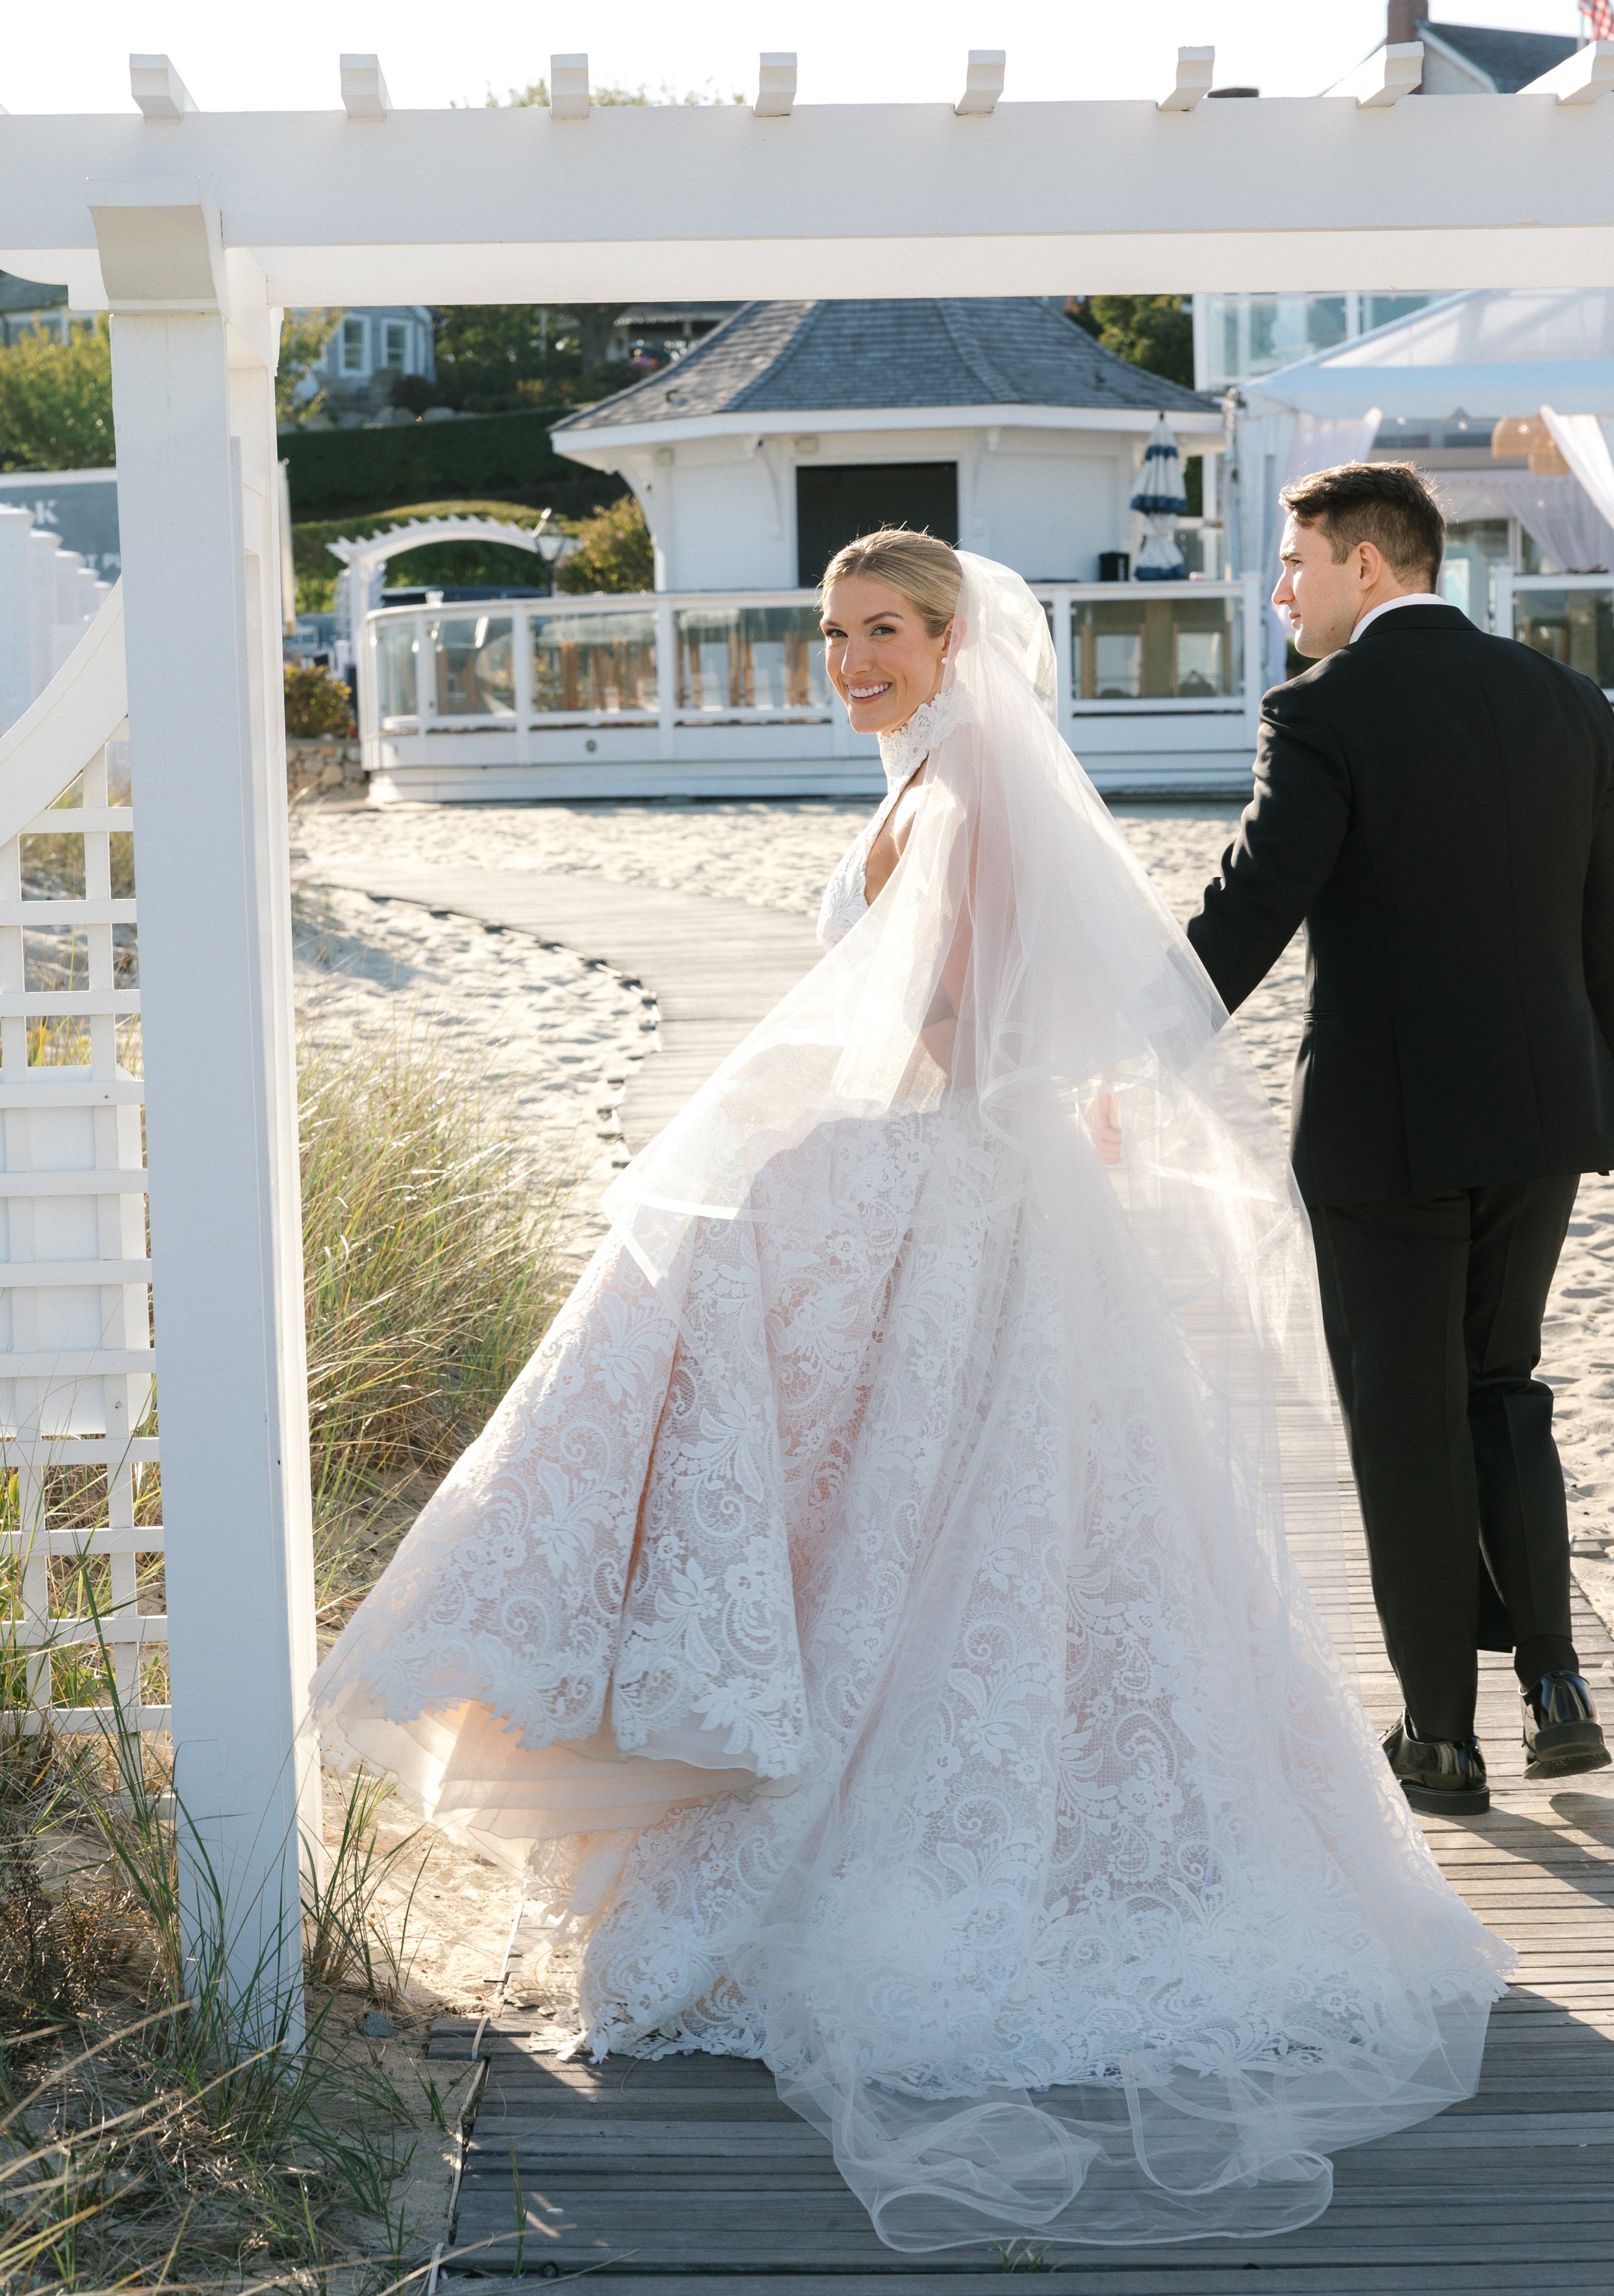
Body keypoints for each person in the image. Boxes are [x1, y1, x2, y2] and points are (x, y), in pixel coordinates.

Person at [312, 531, 1508, 2252]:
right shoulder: (949, 781)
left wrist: (760, 1129)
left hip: (954, 1199)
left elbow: (939, 1021)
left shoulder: (951, 798)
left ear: (953, 644)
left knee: (904, 1497)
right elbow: (1023, 1024)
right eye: (831, 632)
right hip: (990, 1196)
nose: (852, 656)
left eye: (882, 630)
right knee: (969, 1529)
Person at [1188, 461, 1614, 1820]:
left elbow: (1255, 904)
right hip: (1545, 1112)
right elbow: (1601, 929)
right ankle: (1555, 1687)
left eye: (1293, 562)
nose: (1279, 591)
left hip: (1383, 1126)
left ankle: (1440, 1737)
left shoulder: (1324, 712)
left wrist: (1121, 1031)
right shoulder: (1566, 703)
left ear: (1366, 564)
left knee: (1402, 1422)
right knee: (1502, 1387)